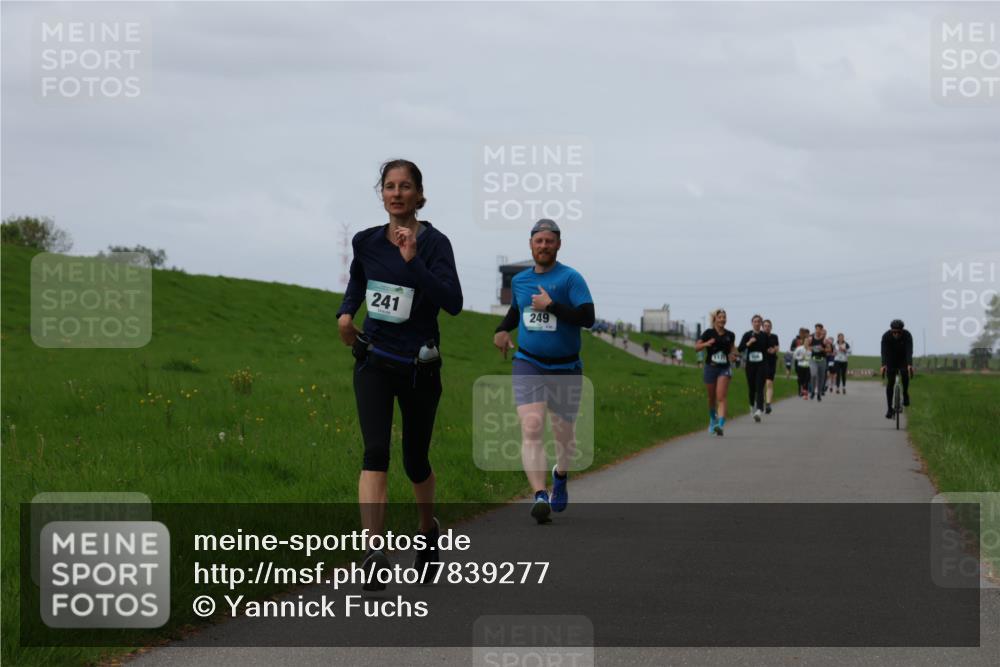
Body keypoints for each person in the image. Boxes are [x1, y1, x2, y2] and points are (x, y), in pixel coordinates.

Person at [336, 159, 463, 588]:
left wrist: (413, 263)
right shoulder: (366, 241)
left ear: (419, 194)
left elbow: (453, 302)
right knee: (374, 453)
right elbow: (358, 283)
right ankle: (374, 550)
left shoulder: (436, 244)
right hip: (373, 359)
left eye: (405, 186)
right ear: (382, 194)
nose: (396, 193)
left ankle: (428, 532)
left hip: (418, 368)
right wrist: (344, 315)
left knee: (415, 460)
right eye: (389, 186)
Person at [493, 219, 595, 524]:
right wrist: (501, 330)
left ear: (558, 244)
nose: (544, 246)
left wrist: (552, 306)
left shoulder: (571, 278)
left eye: (549, 241)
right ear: (531, 244)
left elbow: (587, 317)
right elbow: (517, 311)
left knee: (564, 435)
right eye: (539, 241)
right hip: (529, 363)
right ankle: (539, 495)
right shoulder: (521, 281)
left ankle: (560, 475)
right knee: (533, 426)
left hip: (565, 366)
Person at [695, 308, 737, 436]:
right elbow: (696, 348)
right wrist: (707, 343)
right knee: (711, 398)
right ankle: (713, 419)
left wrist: (733, 356)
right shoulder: (708, 333)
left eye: (724, 317)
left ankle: (721, 425)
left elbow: (732, 350)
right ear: (715, 319)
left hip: (724, 368)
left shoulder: (730, 335)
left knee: (721, 396)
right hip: (710, 367)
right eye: (720, 317)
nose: (722, 319)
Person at [880, 319, 914, 419]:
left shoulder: (907, 335)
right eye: (894, 332)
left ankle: (905, 393)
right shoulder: (886, 336)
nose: (896, 334)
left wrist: (909, 364)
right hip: (891, 359)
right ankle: (889, 409)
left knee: (904, 373)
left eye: (898, 332)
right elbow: (883, 351)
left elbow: (909, 350)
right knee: (890, 382)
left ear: (902, 331)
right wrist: (883, 365)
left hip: (903, 359)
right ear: (891, 330)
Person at [738, 314, 769, 422]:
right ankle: (752, 406)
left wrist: (771, 350)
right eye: (755, 321)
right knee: (752, 388)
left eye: (759, 321)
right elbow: (740, 348)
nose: (757, 323)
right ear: (752, 323)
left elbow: (769, 348)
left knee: (759, 387)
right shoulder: (747, 335)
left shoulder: (764, 335)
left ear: (761, 324)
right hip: (750, 365)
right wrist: (749, 342)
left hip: (762, 364)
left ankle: (759, 410)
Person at [807, 323, 831, 401]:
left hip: (822, 360)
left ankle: (819, 394)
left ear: (821, 330)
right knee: (813, 374)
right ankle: (813, 391)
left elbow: (829, 350)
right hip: (813, 359)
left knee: (821, 378)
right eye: (816, 329)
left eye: (819, 329)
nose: (818, 331)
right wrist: (811, 348)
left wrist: (823, 349)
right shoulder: (811, 338)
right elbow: (806, 346)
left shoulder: (825, 340)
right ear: (815, 329)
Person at [762, 319, 779, 414]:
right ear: (762, 327)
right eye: (765, 326)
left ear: (771, 327)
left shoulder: (774, 336)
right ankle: (761, 401)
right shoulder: (760, 336)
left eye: (769, 326)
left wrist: (774, 350)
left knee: (769, 382)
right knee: (761, 383)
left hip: (771, 361)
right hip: (762, 361)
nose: (767, 327)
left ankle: (768, 404)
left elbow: (777, 346)